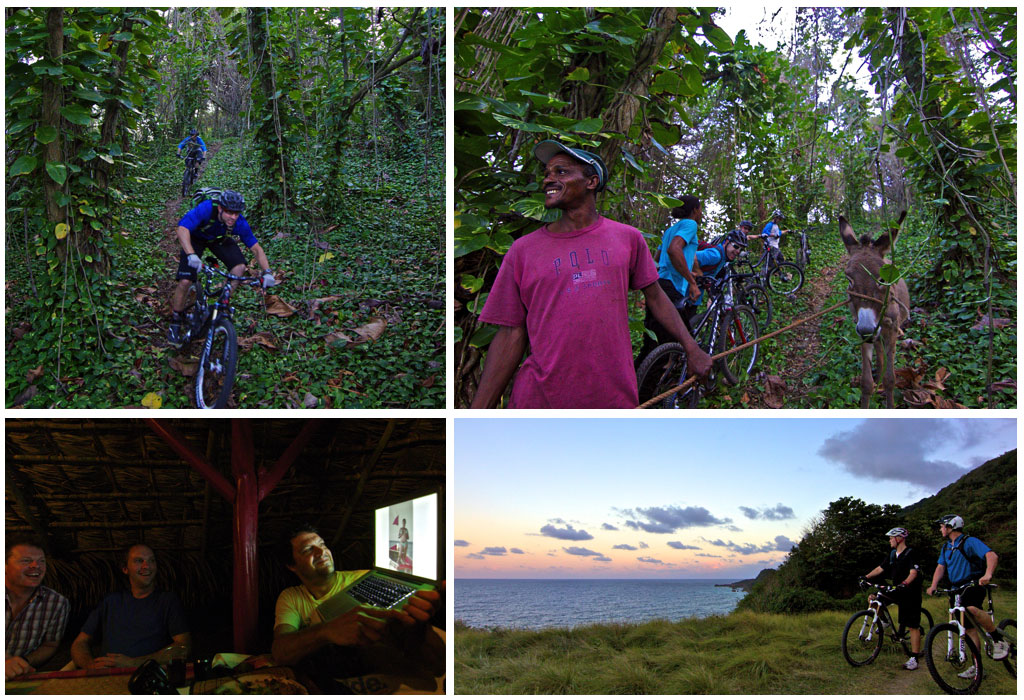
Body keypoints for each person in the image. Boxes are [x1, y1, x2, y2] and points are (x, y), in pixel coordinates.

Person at [471, 139, 711, 408]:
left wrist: (691, 347)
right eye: (547, 173)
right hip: (540, 402)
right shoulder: (523, 251)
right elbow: (510, 335)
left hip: (612, 400)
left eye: (561, 172)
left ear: (591, 182)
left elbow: (656, 298)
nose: (548, 180)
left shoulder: (627, 239)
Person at [271, 524, 443, 685]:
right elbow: (280, 652)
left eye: (322, 544)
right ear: (292, 565)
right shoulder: (292, 597)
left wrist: (418, 628)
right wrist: (326, 631)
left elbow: (437, 664)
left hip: (394, 680)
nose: (321, 552)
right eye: (308, 549)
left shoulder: (363, 580)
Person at [168, 189, 276, 344]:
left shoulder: (238, 222)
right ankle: (176, 321)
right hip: (195, 239)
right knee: (185, 281)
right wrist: (191, 254)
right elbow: (182, 229)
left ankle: (221, 305)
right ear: (220, 208)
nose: (233, 217)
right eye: (229, 212)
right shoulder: (206, 208)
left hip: (218, 239)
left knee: (239, 267)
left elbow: (256, 248)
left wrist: (267, 272)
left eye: (236, 213)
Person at [70, 544, 190, 670]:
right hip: (107, 677)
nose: (147, 566)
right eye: (139, 561)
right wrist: (90, 665)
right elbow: (80, 642)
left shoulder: (167, 601)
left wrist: (133, 664)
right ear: (125, 569)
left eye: (151, 561)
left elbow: (183, 647)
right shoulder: (111, 601)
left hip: (147, 675)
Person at [638, 229, 749, 361]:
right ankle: (666, 364)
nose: (737, 251)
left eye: (740, 249)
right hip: (684, 296)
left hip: (691, 299)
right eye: (735, 246)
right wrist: (698, 276)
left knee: (681, 334)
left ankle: (672, 361)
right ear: (726, 243)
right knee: (676, 335)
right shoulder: (716, 254)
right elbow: (692, 257)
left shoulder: (724, 259)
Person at [925, 514, 1009, 678]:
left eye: (942, 526)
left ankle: (997, 638)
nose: (940, 529)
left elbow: (991, 556)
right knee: (968, 628)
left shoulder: (969, 542)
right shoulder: (946, 547)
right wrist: (933, 585)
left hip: (973, 584)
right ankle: (977, 666)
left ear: (950, 526)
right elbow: (940, 567)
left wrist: (987, 575)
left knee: (971, 609)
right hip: (955, 589)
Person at [5, 537, 69, 680]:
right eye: (26, 560)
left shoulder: (57, 603)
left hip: (20, 676)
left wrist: (24, 662)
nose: (36, 566)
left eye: (41, 561)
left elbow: (50, 645)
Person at [860, 527, 923, 670]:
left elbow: (913, 573)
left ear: (899, 538)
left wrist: (904, 583)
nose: (889, 540)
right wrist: (866, 577)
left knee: (912, 626)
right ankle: (885, 622)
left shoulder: (910, 553)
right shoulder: (893, 554)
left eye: (891, 537)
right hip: (896, 589)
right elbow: (880, 568)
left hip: (910, 592)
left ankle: (914, 658)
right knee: (874, 600)